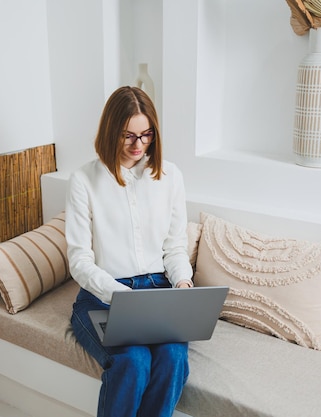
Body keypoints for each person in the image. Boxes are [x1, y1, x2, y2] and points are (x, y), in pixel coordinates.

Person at [65, 86, 194, 417]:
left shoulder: (170, 176)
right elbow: (79, 261)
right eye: (128, 136)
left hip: (159, 293)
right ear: (111, 132)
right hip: (102, 295)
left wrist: (182, 285)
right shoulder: (84, 180)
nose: (138, 146)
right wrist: (122, 296)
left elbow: (175, 247)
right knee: (133, 361)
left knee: (173, 358)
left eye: (146, 135)